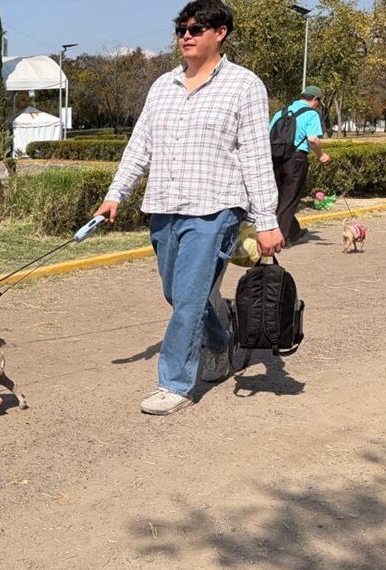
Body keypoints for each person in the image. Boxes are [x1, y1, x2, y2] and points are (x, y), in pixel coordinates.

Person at [93, 0, 284, 416]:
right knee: (177, 293)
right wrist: (115, 194)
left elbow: (255, 156)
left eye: (196, 28)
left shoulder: (244, 85)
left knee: (189, 297)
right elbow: (139, 145)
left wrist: (267, 221)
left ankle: (176, 383)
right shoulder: (162, 86)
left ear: (221, 33)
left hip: (216, 209)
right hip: (164, 205)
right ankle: (220, 342)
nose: (186, 35)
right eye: (181, 28)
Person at [271, 85, 330, 243]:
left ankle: (294, 231)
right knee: (290, 198)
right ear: (315, 100)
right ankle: (282, 239)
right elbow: (312, 139)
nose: (317, 105)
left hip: (275, 158)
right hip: (296, 159)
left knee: (279, 196)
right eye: (318, 102)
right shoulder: (311, 114)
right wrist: (321, 155)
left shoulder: (280, 112)